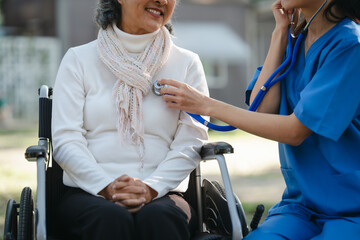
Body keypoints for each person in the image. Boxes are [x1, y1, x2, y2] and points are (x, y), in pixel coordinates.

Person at [158, 0, 360, 239]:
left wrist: (206, 104)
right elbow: (261, 108)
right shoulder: (295, 42)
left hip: (350, 207)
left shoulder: (349, 45)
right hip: (300, 206)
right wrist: (280, 33)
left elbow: (296, 131)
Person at [51, 0, 209, 239]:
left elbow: (191, 142)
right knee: (110, 218)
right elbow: (66, 140)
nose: (163, 1)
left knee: (159, 219)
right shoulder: (78, 60)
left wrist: (150, 188)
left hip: (163, 193)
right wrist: (106, 187)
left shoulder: (187, 64)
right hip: (89, 192)